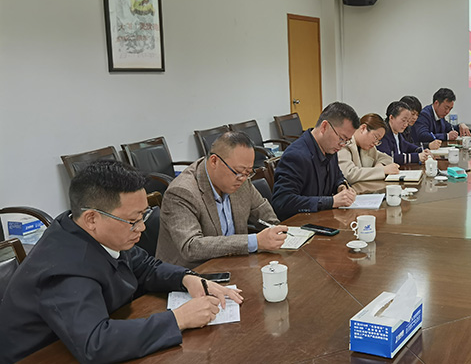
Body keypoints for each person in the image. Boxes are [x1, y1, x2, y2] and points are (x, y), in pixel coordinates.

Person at [0, 160, 243, 363]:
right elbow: (96, 343)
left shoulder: (94, 230)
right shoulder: (63, 269)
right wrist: (179, 319)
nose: (142, 227)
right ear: (92, 218)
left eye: (143, 215)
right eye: (133, 220)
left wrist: (186, 278)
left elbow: (146, 267)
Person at [157, 131, 288, 269]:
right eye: (238, 172)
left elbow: (264, 214)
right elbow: (191, 246)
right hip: (192, 272)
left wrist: (277, 233)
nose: (243, 179)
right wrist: (254, 241)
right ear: (214, 161)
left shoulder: (242, 179)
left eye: (248, 172)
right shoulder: (181, 192)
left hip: (234, 263)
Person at [272, 102, 359, 221]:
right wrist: (331, 201)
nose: (342, 145)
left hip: (324, 220)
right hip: (300, 224)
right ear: (324, 127)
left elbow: (337, 175)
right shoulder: (296, 156)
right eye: (342, 138)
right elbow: (282, 202)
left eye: (347, 141)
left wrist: (341, 186)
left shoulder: (330, 147)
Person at [338, 113, 400, 182]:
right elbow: (349, 174)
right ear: (363, 128)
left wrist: (380, 165)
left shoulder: (368, 147)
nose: (375, 143)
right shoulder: (345, 143)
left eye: (378, 141)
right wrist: (382, 170)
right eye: (376, 137)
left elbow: (386, 158)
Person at [378, 100, 441, 165]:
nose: (406, 124)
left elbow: (407, 146)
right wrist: (417, 157)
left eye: (408, 121)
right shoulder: (383, 134)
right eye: (403, 120)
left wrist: (422, 151)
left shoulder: (397, 133)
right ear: (391, 117)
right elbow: (389, 157)